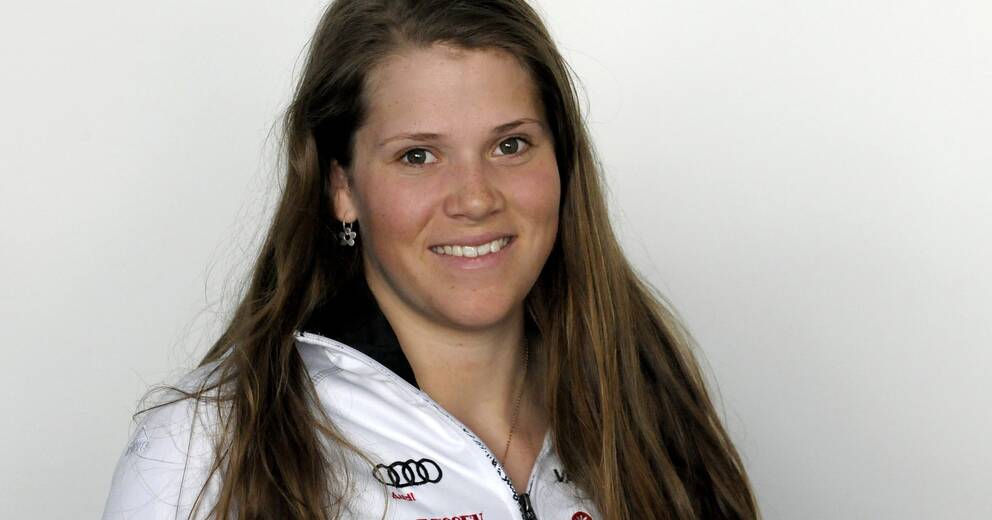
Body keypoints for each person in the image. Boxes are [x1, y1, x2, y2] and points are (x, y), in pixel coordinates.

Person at [102, 1, 759, 518]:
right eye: (417, 155)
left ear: (562, 161)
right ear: (341, 187)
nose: (475, 198)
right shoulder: (209, 449)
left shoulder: (646, 408)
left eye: (510, 146)